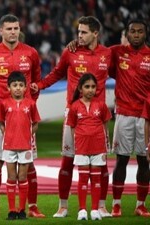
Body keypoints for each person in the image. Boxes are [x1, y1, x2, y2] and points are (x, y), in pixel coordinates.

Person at [31, 16, 112, 218]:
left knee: (100, 164)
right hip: (73, 114)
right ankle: (63, 206)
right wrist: (39, 85)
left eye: (84, 32)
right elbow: (56, 73)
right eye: (78, 32)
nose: (79, 36)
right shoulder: (71, 51)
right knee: (67, 161)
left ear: (95, 33)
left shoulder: (108, 54)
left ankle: (101, 206)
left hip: (98, 116)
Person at [0, 14, 43, 218]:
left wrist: (29, 104)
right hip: (0, 115)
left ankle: (31, 207)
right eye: (9, 28)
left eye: (15, 28)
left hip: (24, 117)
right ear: (1, 31)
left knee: (28, 162)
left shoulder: (31, 53)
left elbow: (36, 83)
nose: (13, 31)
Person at [108, 19, 150, 217]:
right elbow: (96, 52)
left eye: (140, 32)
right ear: (127, 34)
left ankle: (140, 204)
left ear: (145, 34)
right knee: (121, 159)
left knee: (144, 160)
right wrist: (75, 44)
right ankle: (116, 204)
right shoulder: (117, 52)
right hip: (124, 114)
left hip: (145, 117)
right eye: (132, 31)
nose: (136, 35)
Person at [68, 73, 112, 220]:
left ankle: (94, 210)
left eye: (93, 87)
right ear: (80, 88)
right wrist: (78, 142)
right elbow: (73, 127)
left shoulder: (101, 105)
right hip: (82, 147)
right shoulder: (74, 106)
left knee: (96, 179)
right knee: (82, 178)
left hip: (98, 147)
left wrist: (106, 144)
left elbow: (105, 125)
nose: (90, 90)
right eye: (87, 86)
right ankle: (82, 210)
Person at [0, 71, 40, 220]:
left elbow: (35, 123)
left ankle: (22, 210)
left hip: (25, 146)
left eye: (21, 85)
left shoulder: (31, 104)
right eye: (14, 85)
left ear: (25, 87)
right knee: (11, 176)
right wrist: (7, 134)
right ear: (8, 87)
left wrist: (28, 136)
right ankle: (11, 210)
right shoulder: (4, 103)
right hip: (9, 146)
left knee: (22, 177)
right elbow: (1, 122)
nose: (17, 88)